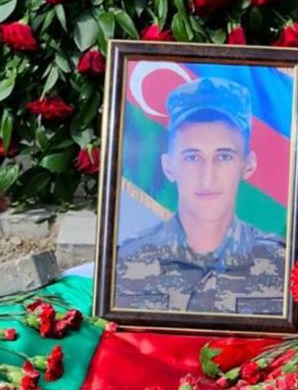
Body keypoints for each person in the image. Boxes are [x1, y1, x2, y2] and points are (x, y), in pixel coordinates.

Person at [115, 77, 286, 315]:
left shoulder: (282, 263)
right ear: (168, 166)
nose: (207, 178)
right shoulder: (123, 262)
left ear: (248, 165)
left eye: (224, 157)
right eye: (192, 157)